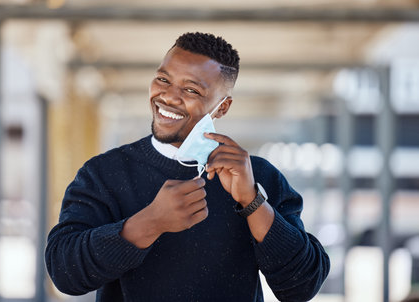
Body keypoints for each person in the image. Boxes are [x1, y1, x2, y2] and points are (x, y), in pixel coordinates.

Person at [45, 32, 330, 302]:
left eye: (191, 89)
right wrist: (150, 222)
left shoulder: (259, 176)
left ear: (222, 108)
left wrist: (252, 201)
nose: (168, 97)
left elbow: (301, 287)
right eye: (163, 79)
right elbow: (64, 273)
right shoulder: (104, 173)